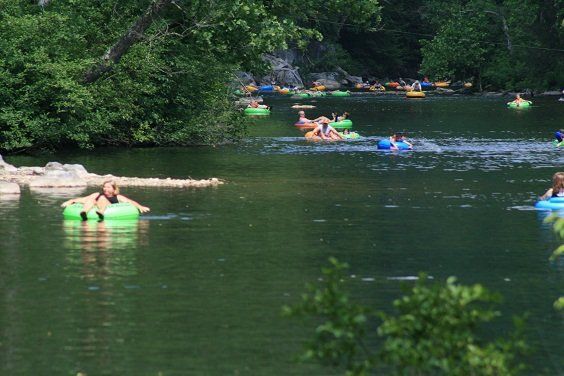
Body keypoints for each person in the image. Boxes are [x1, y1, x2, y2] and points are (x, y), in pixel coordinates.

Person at [61, 180, 150, 221]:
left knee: (102, 199)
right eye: (104, 187)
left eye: (108, 187)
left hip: (108, 207)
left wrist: (140, 206)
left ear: (114, 189)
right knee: (92, 198)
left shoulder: (117, 197)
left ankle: (101, 212)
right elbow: (83, 199)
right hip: (94, 206)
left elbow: (130, 202)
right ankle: (84, 212)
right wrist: (71, 201)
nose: (105, 189)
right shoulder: (97, 194)